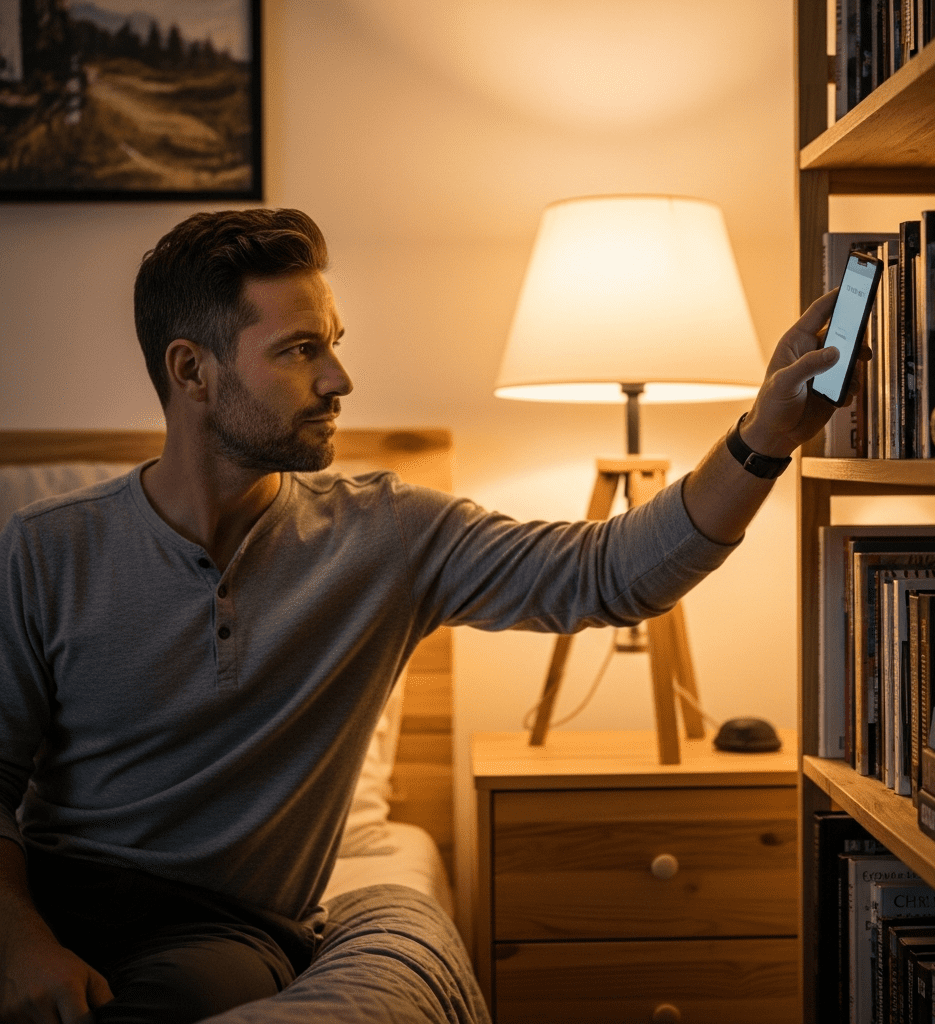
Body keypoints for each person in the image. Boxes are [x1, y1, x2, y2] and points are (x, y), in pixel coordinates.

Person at [0, 208, 855, 1024]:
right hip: (40, 894)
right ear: (192, 371)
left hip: (219, 929)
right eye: (300, 352)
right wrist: (23, 948)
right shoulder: (46, 550)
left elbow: (610, 574)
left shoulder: (387, 535)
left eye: (332, 346)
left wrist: (762, 438)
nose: (339, 379)